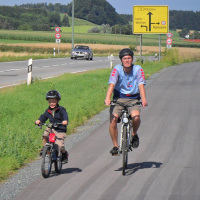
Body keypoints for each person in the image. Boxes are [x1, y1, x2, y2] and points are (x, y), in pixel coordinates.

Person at [104, 48, 148, 155]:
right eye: (124, 58)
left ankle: (133, 134)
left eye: (129, 58)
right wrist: (108, 98)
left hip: (133, 98)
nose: (127, 60)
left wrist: (144, 99)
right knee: (113, 120)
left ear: (132, 59)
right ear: (121, 60)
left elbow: (141, 85)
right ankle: (115, 146)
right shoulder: (117, 69)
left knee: (136, 117)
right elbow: (112, 84)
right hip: (119, 98)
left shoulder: (138, 69)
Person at [35, 90, 69, 163]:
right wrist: (39, 121)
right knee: (45, 135)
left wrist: (65, 121)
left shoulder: (61, 110)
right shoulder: (48, 111)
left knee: (59, 145)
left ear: (57, 101)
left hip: (60, 129)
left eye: (53, 101)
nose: (52, 103)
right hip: (52, 127)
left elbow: (65, 116)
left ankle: (64, 154)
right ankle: (45, 149)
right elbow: (43, 117)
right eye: (50, 102)